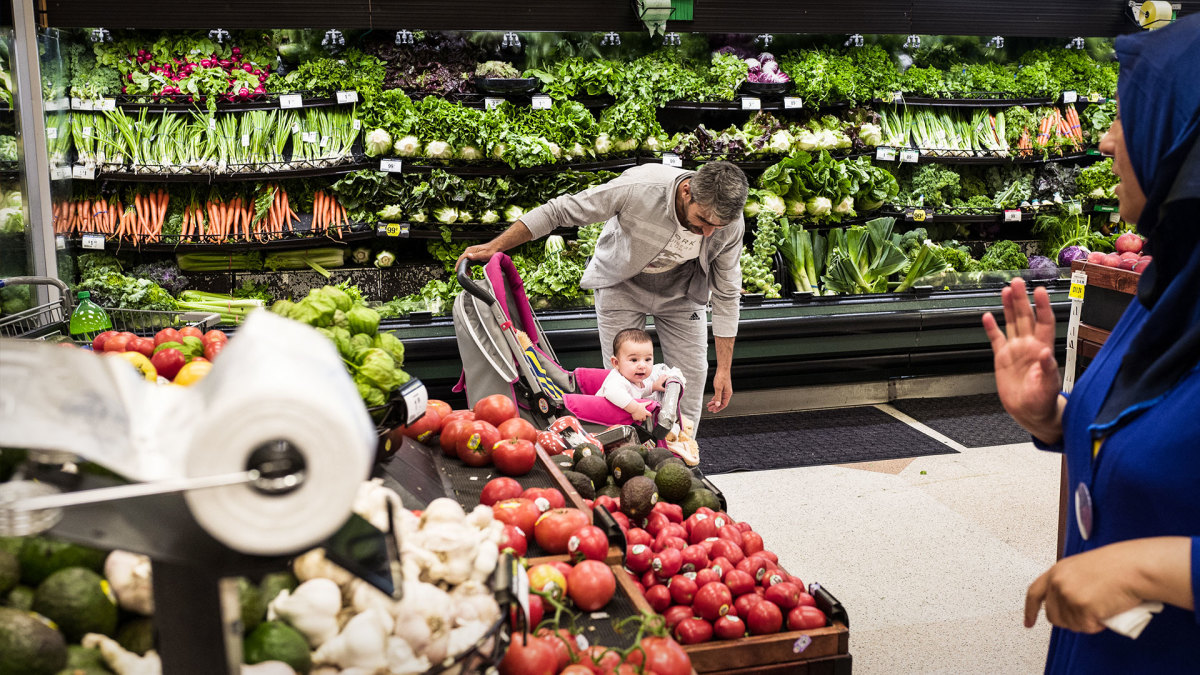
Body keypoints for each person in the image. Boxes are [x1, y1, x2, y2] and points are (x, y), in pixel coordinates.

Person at [982, 14, 1200, 673]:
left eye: (1126, 114)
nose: (1106, 139)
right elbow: (1149, 429)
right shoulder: (1171, 286)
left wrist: (1154, 568)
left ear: (1181, 137)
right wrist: (1054, 415)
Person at [460, 161, 749, 433]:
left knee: (690, 380)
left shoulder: (730, 225)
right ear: (687, 191)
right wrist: (494, 245)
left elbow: (726, 293)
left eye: (718, 226)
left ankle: (682, 460)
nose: (709, 232)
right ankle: (626, 456)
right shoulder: (639, 187)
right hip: (621, 283)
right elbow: (559, 211)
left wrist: (725, 369)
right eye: (702, 220)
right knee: (621, 382)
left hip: (683, 293)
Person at [597, 328, 685, 423]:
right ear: (616, 363)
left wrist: (653, 387)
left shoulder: (633, 379)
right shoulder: (618, 380)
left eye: (647, 359)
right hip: (599, 422)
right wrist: (635, 409)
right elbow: (612, 392)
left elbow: (637, 391)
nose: (642, 366)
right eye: (634, 360)